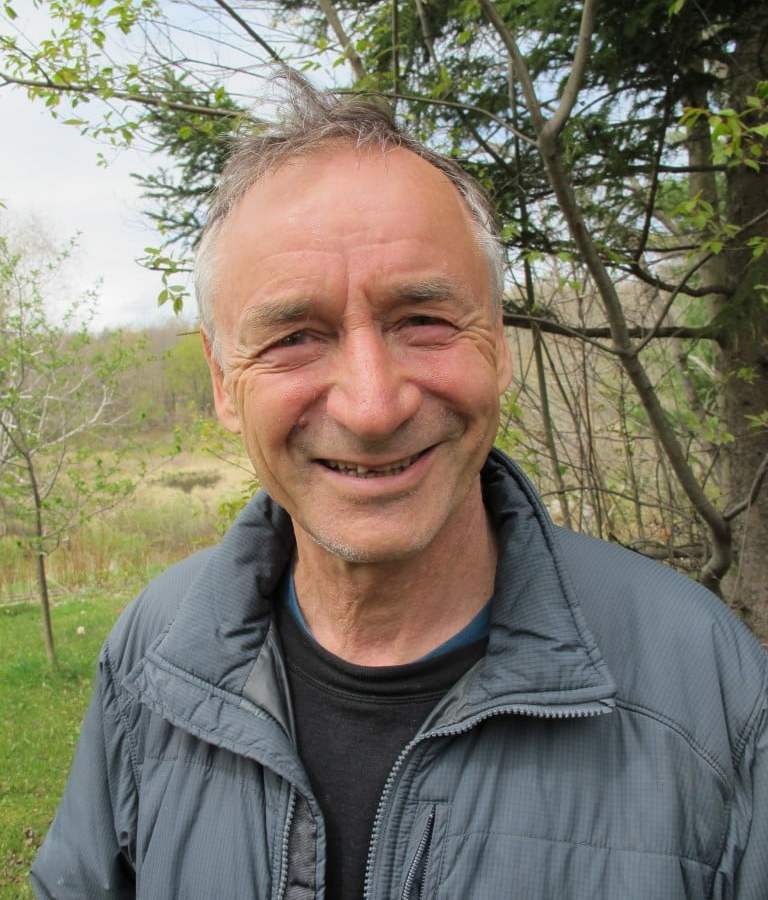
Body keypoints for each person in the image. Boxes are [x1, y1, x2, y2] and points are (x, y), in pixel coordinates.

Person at [31, 79, 767, 900]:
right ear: (221, 381)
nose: (374, 406)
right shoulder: (155, 653)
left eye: (423, 321)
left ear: (499, 343)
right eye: (295, 336)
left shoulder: (712, 690)